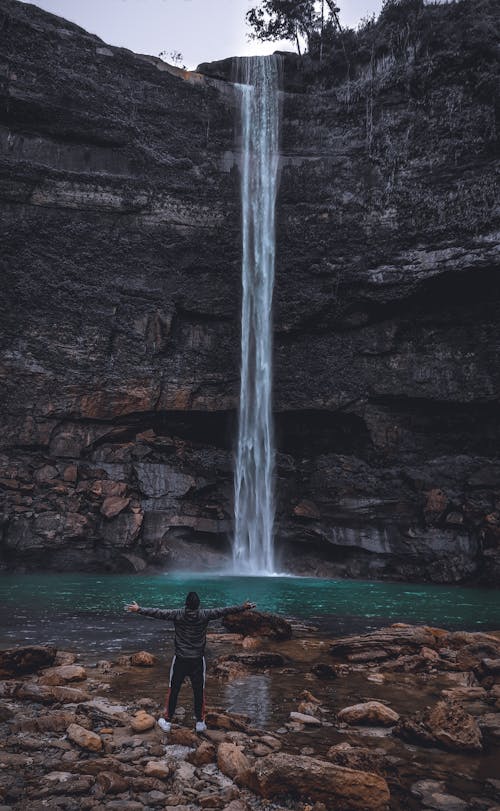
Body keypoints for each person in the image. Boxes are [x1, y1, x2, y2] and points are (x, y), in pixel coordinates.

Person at [125, 591, 255, 733]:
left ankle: (167, 721)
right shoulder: (205, 614)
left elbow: (158, 613)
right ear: (198, 605)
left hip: (180, 659)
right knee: (199, 691)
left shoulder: (178, 614)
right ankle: (200, 722)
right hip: (197, 660)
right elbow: (224, 610)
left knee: (173, 690)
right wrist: (243, 607)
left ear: (186, 604)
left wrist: (139, 609)